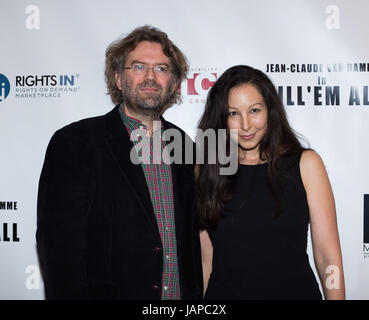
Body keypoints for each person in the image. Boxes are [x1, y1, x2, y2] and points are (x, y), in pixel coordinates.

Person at [36, 25, 203, 300]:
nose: (150, 76)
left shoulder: (185, 146)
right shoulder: (75, 143)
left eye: (161, 69)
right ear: (117, 79)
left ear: (173, 84)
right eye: (138, 67)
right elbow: (58, 251)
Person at [196, 65, 345, 300]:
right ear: (221, 118)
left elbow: (328, 256)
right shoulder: (206, 171)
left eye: (254, 110)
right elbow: (206, 260)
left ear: (270, 110)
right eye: (233, 113)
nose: (246, 125)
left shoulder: (305, 164)